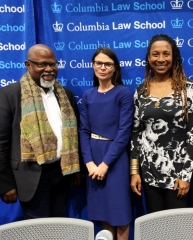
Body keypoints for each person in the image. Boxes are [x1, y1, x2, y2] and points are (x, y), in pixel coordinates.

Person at [0, 44, 81, 219]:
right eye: (42, 64)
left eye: (53, 64)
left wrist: (77, 169)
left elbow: (74, 136)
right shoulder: (9, 95)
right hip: (31, 177)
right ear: (28, 65)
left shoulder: (66, 95)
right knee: (38, 231)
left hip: (62, 173)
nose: (49, 69)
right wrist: (5, 185)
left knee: (61, 226)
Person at [130, 34, 193, 213]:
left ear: (174, 57)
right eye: (155, 54)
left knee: (176, 228)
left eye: (166, 54)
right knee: (155, 226)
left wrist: (185, 175)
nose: (161, 59)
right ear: (148, 58)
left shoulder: (187, 89)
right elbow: (136, 134)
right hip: (149, 173)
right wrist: (135, 171)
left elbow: (192, 135)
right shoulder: (141, 90)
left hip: (177, 175)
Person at [79, 47, 134, 240]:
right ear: (93, 65)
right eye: (99, 63)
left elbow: (124, 133)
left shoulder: (123, 93)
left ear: (114, 68)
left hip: (115, 158)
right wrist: (90, 164)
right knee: (103, 211)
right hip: (93, 157)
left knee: (120, 212)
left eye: (107, 64)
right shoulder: (88, 95)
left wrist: (104, 164)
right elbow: (84, 131)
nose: (102, 67)